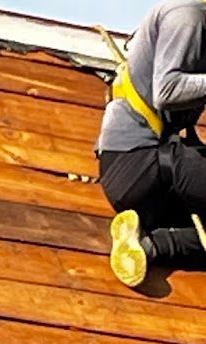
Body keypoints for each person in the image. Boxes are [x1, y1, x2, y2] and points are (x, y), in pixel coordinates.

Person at [97, 0, 206, 287]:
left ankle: (147, 245)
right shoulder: (187, 15)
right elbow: (167, 92)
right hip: (137, 162)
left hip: (152, 179)